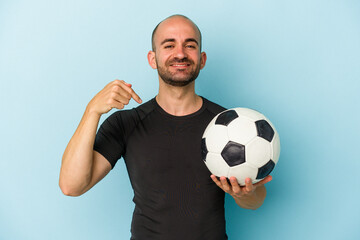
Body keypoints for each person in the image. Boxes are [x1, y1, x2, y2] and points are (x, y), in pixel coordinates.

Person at [59, 14, 272, 240]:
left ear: (202, 59)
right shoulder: (126, 123)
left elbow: (254, 202)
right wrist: (92, 111)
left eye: (190, 45)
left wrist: (245, 194)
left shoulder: (229, 125)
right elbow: (72, 186)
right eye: (169, 45)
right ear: (153, 59)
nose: (180, 53)